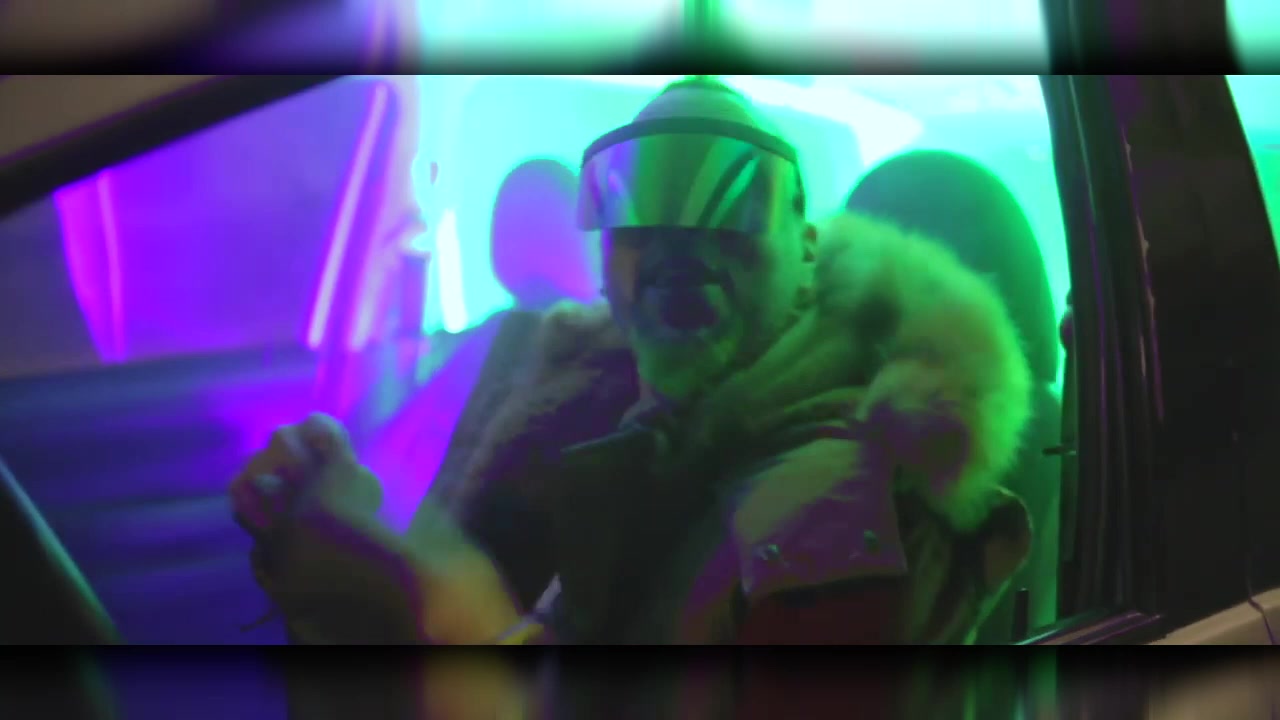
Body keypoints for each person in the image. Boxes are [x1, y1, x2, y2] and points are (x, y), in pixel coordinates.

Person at [230, 76, 1036, 716]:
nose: (679, 244)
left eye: (735, 201)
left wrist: (438, 595)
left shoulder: (831, 512)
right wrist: (341, 575)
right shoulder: (644, 435)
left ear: (807, 257)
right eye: (637, 201)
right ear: (605, 259)